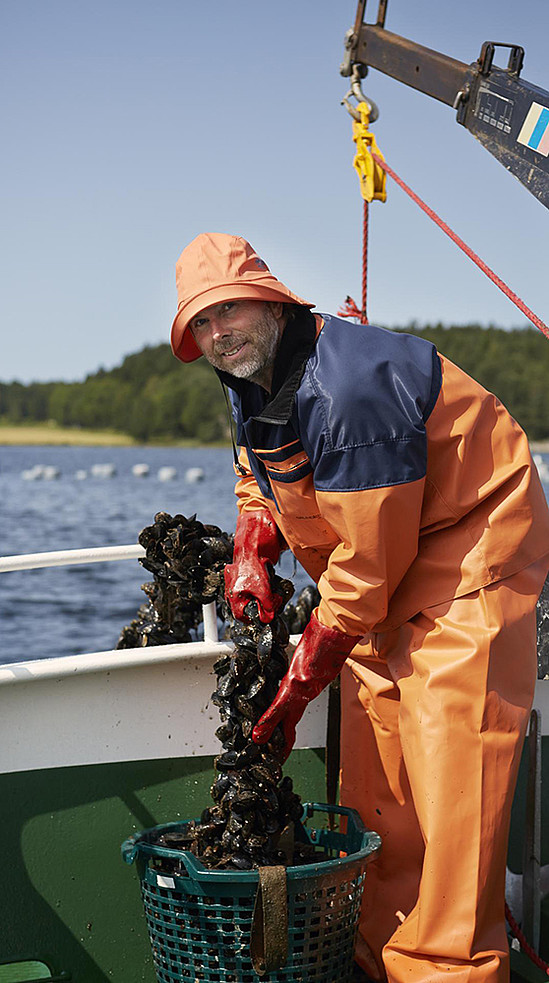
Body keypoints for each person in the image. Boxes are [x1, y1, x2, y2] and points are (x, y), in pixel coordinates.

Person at [170, 232, 549, 983]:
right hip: (375, 584)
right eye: (201, 325)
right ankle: (382, 958)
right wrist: (252, 546)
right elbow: (260, 470)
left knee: (450, 787)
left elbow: (368, 567)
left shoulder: (349, 389)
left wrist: (297, 684)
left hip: (467, 560)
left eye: (229, 312)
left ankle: (450, 969)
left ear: (273, 304)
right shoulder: (250, 370)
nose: (218, 335)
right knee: (380, 791)